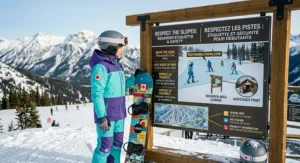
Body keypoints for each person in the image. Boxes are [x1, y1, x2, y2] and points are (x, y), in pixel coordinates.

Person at [89, 30, 142, 163]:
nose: (122, 50)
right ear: (111, 47)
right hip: (107, 117)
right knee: (105, 147)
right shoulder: (101, 67)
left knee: (117, 146)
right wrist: (101, 117)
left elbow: (120, 88)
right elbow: (97, 94)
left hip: (119, 116)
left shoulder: (118, 66)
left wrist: (134, 78)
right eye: (120, 47)